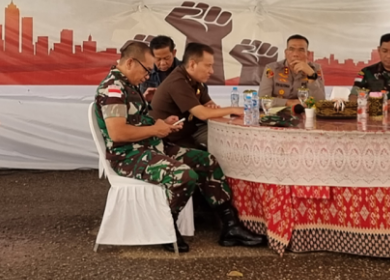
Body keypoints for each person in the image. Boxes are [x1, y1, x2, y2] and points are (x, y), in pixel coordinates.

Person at [95, 41, 264, 252]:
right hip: (128, 156)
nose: (148, 75)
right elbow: (118, 133)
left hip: (149, 147)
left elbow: (137, 121)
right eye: (147, 69)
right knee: (184, 176)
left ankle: (230, 226)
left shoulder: (129, 85)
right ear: (130, 62)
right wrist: (155, 130)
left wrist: (163, 125)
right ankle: (166, 227)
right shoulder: (113, 89)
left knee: (207, 161)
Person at [151, 42, 244, 150]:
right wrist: (234, 109)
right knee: (225, 147)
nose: (212, 71)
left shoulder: (195, 80)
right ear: (192, 64)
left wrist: (212, 109)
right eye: (208, 65)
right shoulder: (177, 81)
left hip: (191, 130)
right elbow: (202, 114)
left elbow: (210, 105)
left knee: (234, 138)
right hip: (170, 139)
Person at [258, 35, 326, 107]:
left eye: (301, 50)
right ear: (286, 53)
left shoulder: (315, 69)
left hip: (305, 114)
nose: (295, 54)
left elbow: (320, 101)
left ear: (308, 54)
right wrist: (288, 102)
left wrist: (311, 75)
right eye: (291, 49)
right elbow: (261, 100)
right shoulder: (271, 69)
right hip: (277, 115)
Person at [139, 35, 181, 101]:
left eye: (167, 58)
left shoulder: (186, 70)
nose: (163, 63)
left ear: (174, 53)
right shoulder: (146, 72)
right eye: (158, 59)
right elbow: (141, 100)